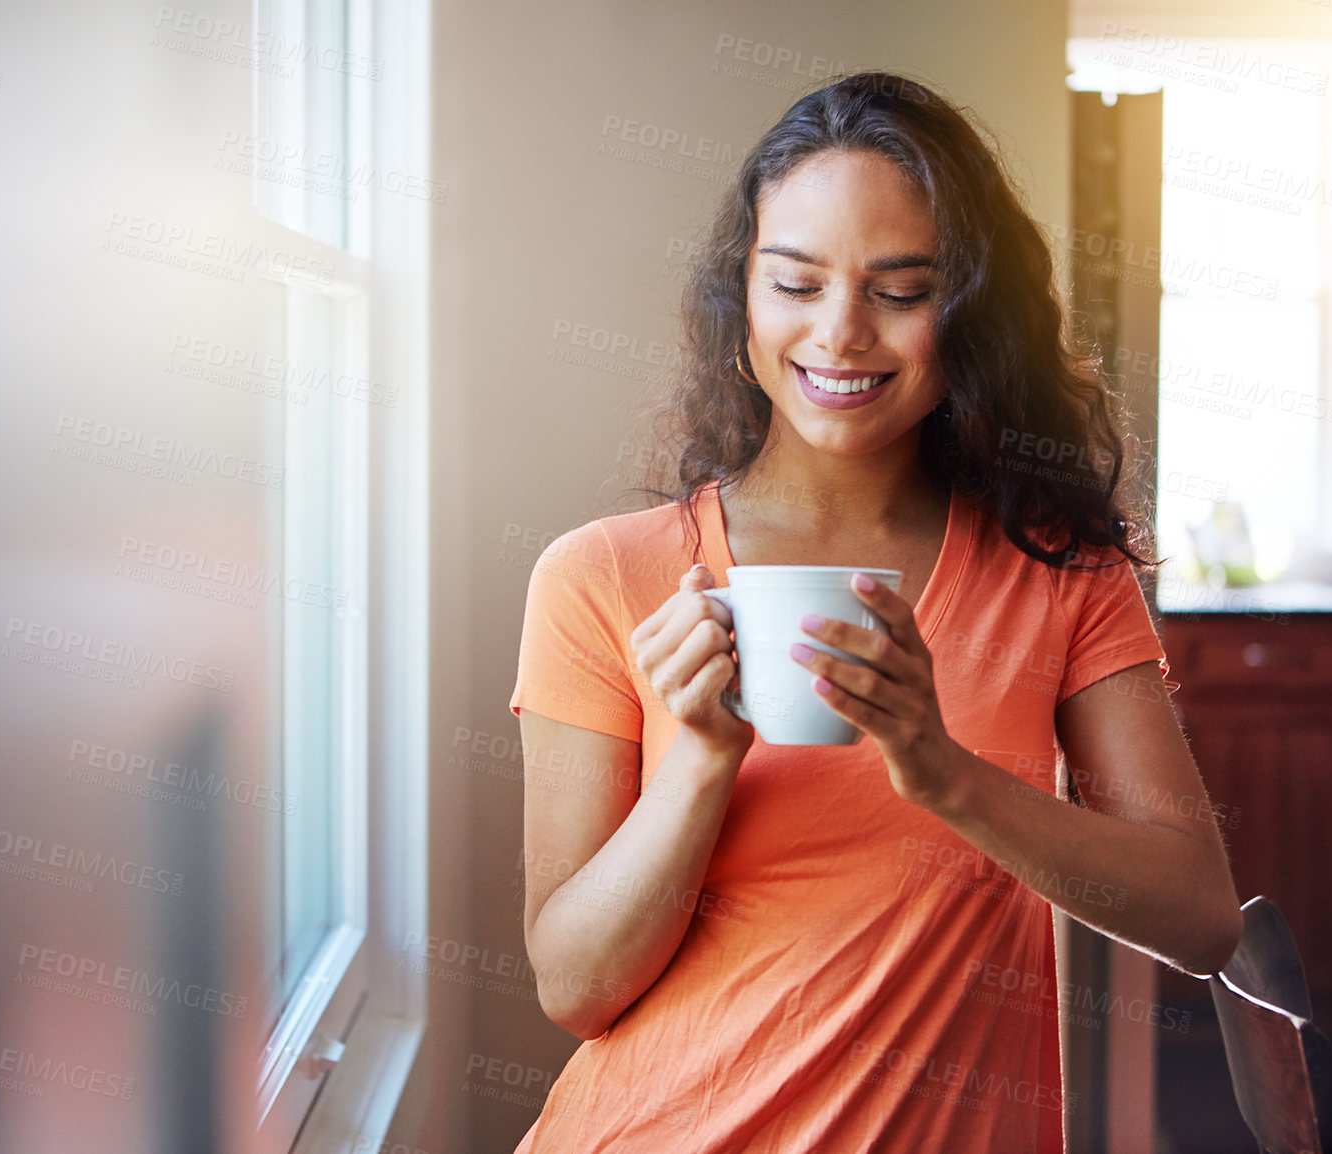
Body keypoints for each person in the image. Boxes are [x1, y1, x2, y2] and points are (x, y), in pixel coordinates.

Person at [507, 71, 1241, 1153]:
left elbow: (1199, 915)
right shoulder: (601, 576)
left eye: (900, 292)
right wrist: (702, 758)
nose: (841, 333)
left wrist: (942, 769)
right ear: (740, 301)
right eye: (795, 284)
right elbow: (574, 984)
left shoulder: (1061, 574)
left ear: (968, 314)